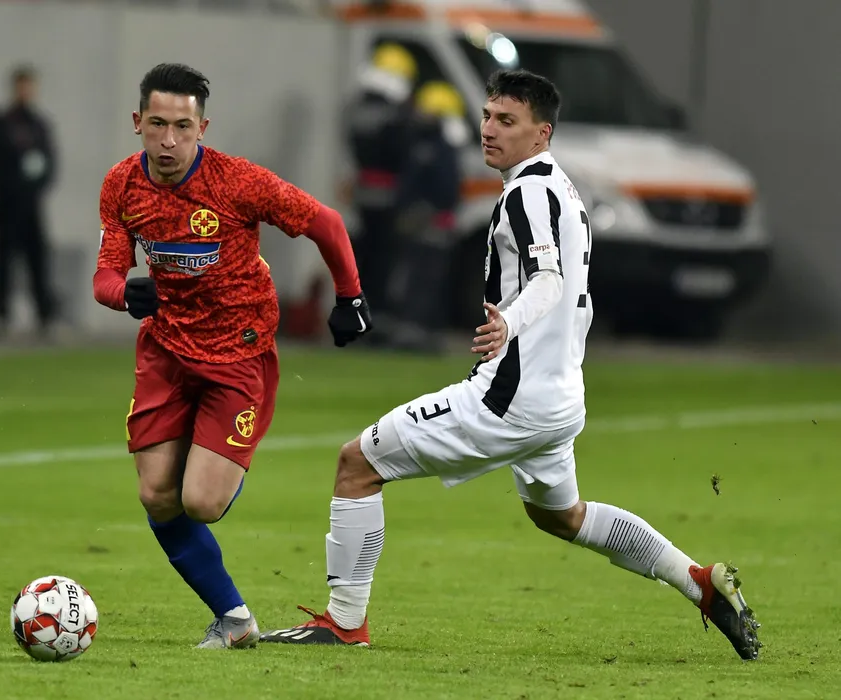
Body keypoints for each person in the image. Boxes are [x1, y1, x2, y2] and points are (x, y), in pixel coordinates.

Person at [260, 69, 762, 661]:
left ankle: (344, 623)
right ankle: (700, 583)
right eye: (487, 116)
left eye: (507, 120)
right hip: (558, 399)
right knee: (563, 517)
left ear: (541, 132)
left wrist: (510, 323)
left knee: (357, 464)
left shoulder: (526, 193)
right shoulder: (562, 189)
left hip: (509, 400)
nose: (490, 130)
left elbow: (548, 279)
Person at [93, 63, 371, 650]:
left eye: (183, 127)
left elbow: (325, 222)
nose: (169, 141)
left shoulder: (237, 182)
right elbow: (106, 276)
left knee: (200, 502)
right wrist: (124, 294)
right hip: (166, 354)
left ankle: (224, 458)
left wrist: (350, 297)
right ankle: (235, 619)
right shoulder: (121, 185)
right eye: (158, 124)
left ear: (203, 128)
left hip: (236, 356)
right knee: (156, 495)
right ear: (138, 122)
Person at [388, 81, 464, 353]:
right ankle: (423, 331)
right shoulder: (440, 148)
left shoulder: (427, 147)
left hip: (427, 223)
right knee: (426, 277)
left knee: (422, 278)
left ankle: (417, 331)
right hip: (432, 223)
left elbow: (435, 189)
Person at [345, 42, 416, 328]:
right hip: (389, 196)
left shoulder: (356, 108)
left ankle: (357, 313)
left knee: (362, 255)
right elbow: (403, 153)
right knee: (383, 259)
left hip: (363, 193)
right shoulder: (396, 114)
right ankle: (378, 317)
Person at [0, 65, 57, 333]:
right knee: (4, 258)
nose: (25, 92)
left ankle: (44, 312)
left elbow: (50, 162)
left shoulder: (39, 125)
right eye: (21, 87)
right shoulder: (2, 124)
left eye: (28, 87)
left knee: (37, 257)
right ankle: (2, 312)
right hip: (7, 202)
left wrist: (37, 185)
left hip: (31, 203)